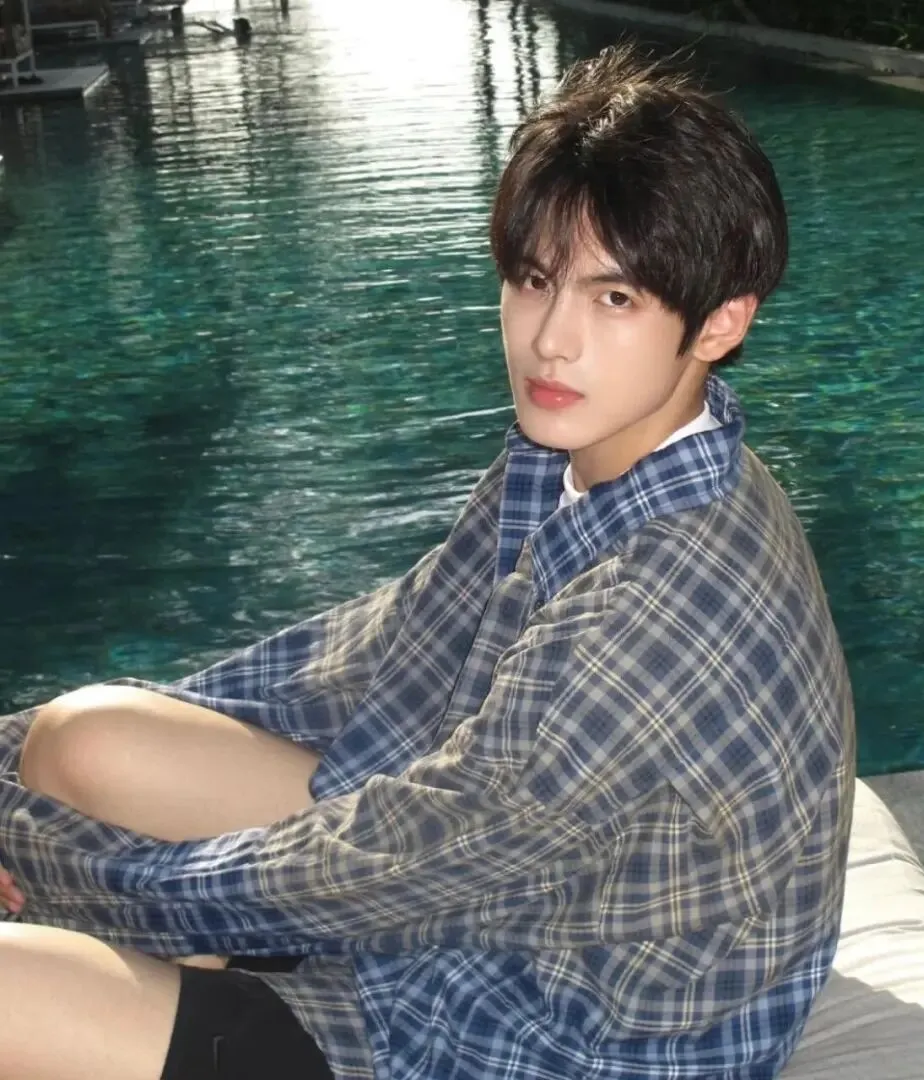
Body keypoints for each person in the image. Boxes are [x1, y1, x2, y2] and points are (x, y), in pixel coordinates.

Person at [0, 42, 855, 1080]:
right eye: (534, 281)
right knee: (79, 739)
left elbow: (398, 862)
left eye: (616, 299)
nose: (551, 340)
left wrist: (67, 859)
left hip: (534, 1036)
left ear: (719, 323)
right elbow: (366, 652)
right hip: (495, 910)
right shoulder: (579, 458)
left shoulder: (659, 617)